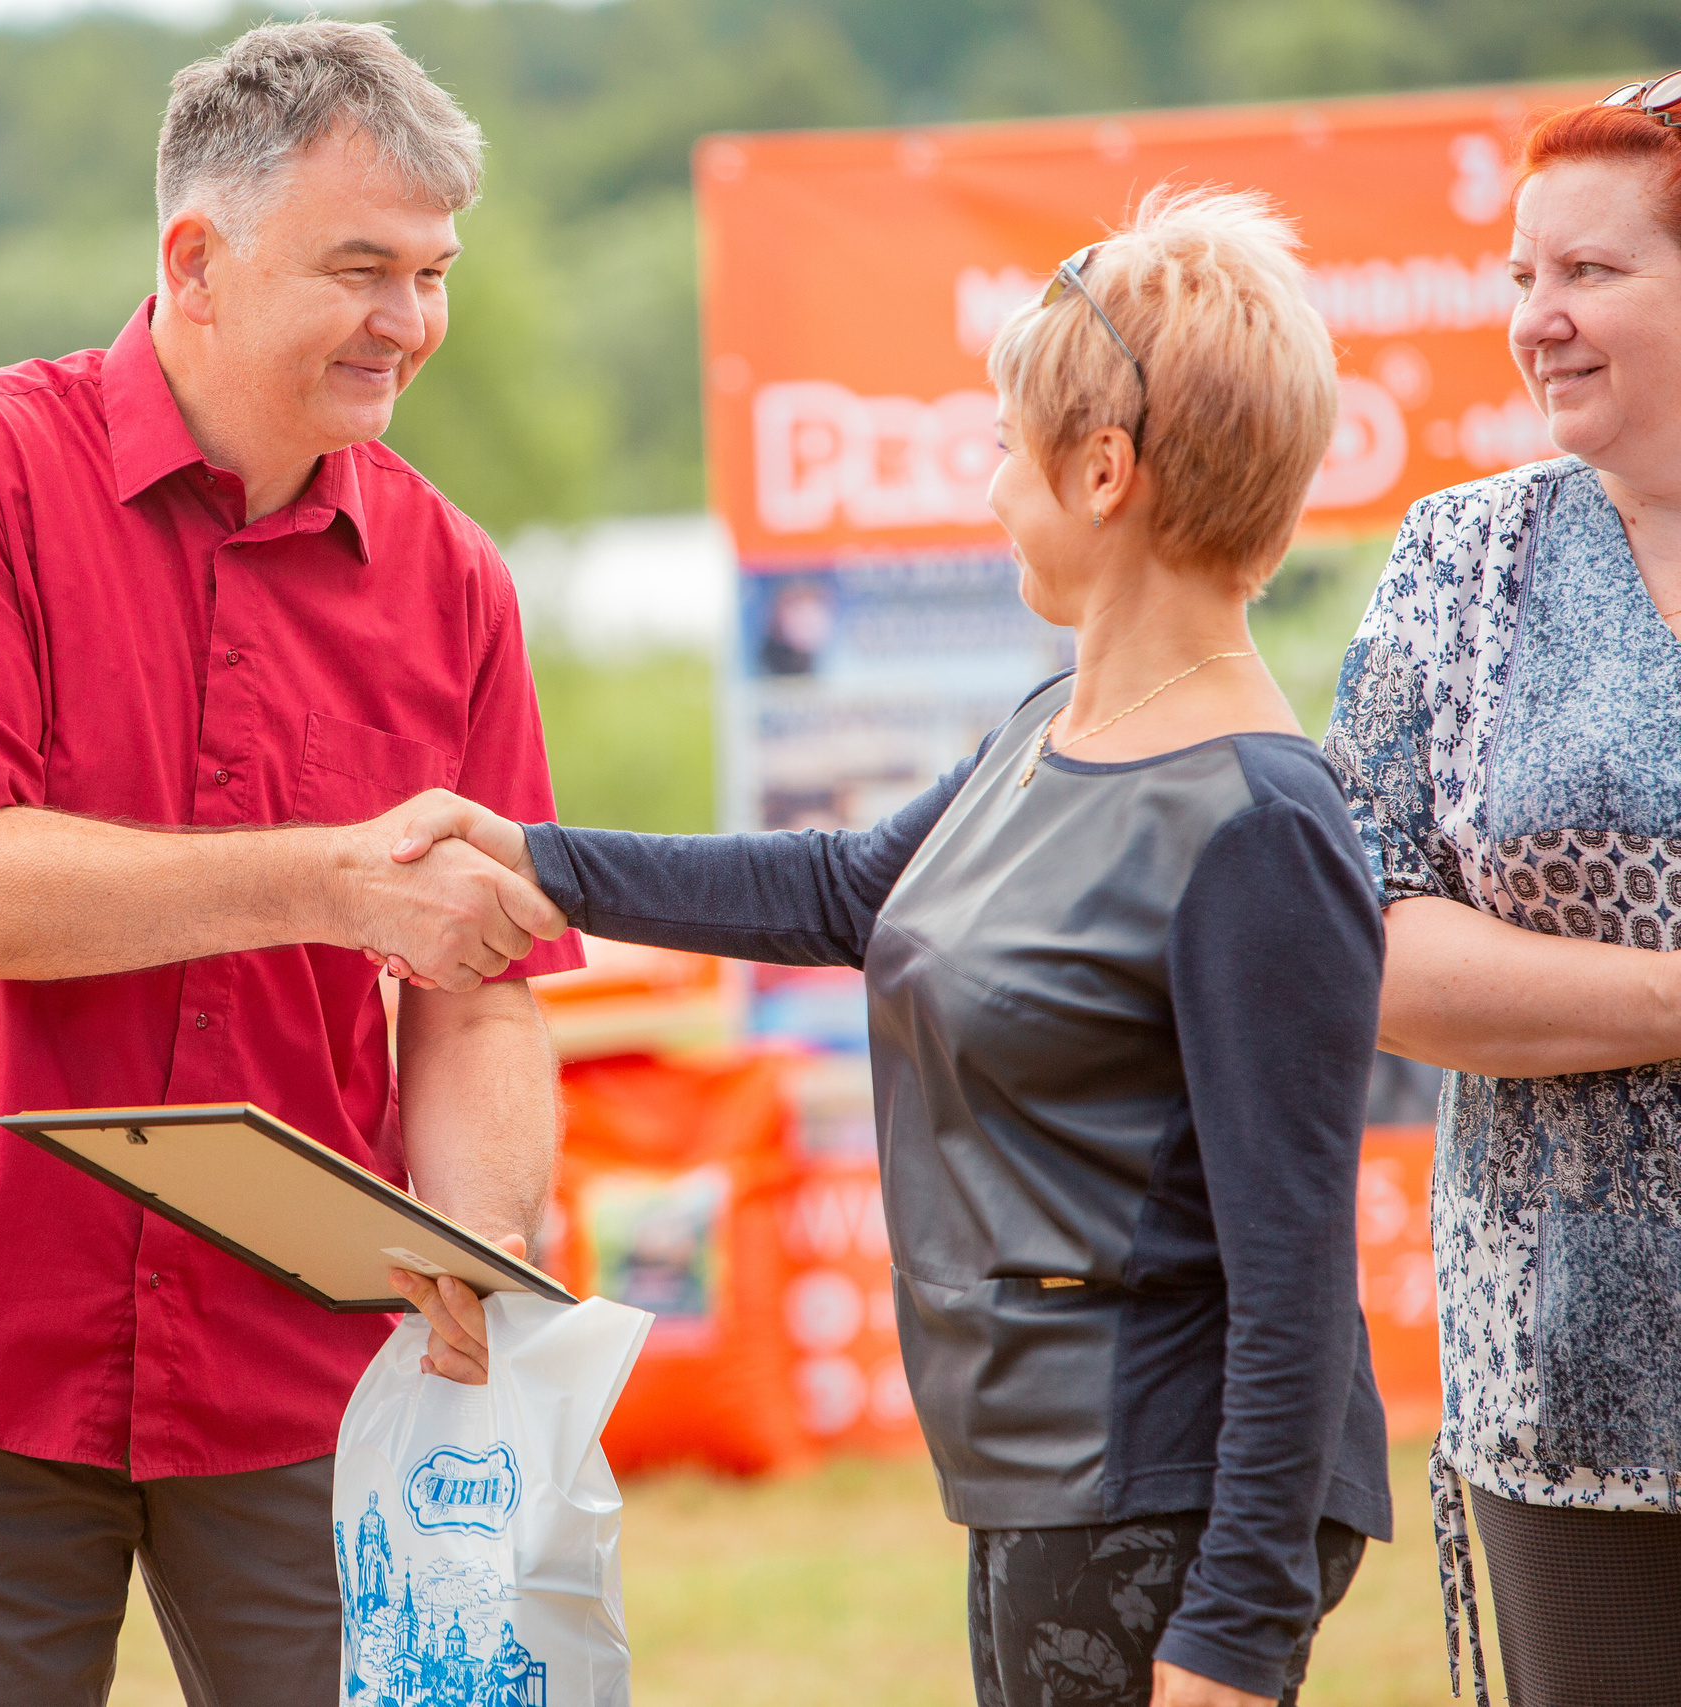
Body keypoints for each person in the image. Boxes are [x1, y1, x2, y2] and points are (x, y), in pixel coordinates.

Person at [380, 187, 1391, 1707]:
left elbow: (1299, 1279)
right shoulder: (1042, 736)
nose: (988, 490)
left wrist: (1234, 1637)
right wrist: (531, 857)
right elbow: (843, 891)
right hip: (1036, 1488)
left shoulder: (1260, 825)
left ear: (1102, 471)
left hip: (1154, 1505)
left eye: (1002, 449)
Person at [0, 22, 582, 1706]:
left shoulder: (456, 583)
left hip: (301, 1361)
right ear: (194, 261)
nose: (410, 323)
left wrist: (480, 1239)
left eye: (431, 274)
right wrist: (328, 883)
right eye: (361, 269)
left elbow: (483, 997)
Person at [1320, 82, 1681, 1707]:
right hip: (1567, 1394)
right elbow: (1370, 942)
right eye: (1523, 276)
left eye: (1590, 275)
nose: (1536, 320)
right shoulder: (1463, 560)